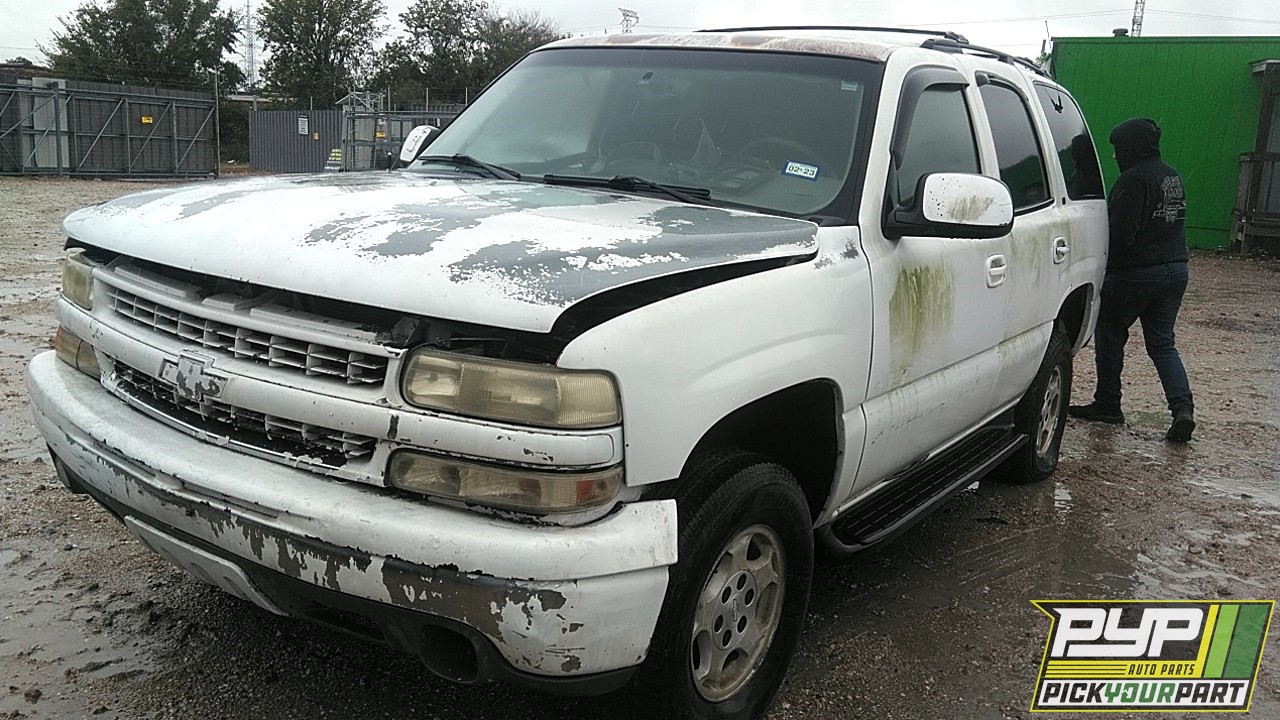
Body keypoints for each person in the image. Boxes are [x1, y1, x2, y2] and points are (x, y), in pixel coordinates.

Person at [1069, 118, 1196, 443]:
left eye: (1117, 149)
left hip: (1136, 275)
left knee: (1110, 335)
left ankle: (1108, 405)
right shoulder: (1172, 176)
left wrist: (1100, 266)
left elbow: (1122, 234)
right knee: (1163, 344)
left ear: (1130, 147)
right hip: (1175, 271)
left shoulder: (1132, 181)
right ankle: (1183, 410)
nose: (1114, 156)